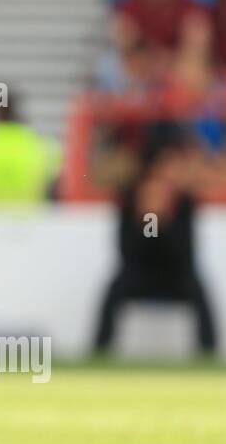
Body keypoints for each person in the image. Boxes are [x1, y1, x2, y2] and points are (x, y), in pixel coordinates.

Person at [93, 141, 218, 356]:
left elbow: (185, 255)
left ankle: (209, 353)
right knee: (115, 288)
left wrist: (162, 220)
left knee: (198, 288)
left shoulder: (183, 204)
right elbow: (127, 252)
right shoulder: (131, 200)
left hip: (176, 276)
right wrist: (148, 221)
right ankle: (100, 351)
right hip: (139, 275)